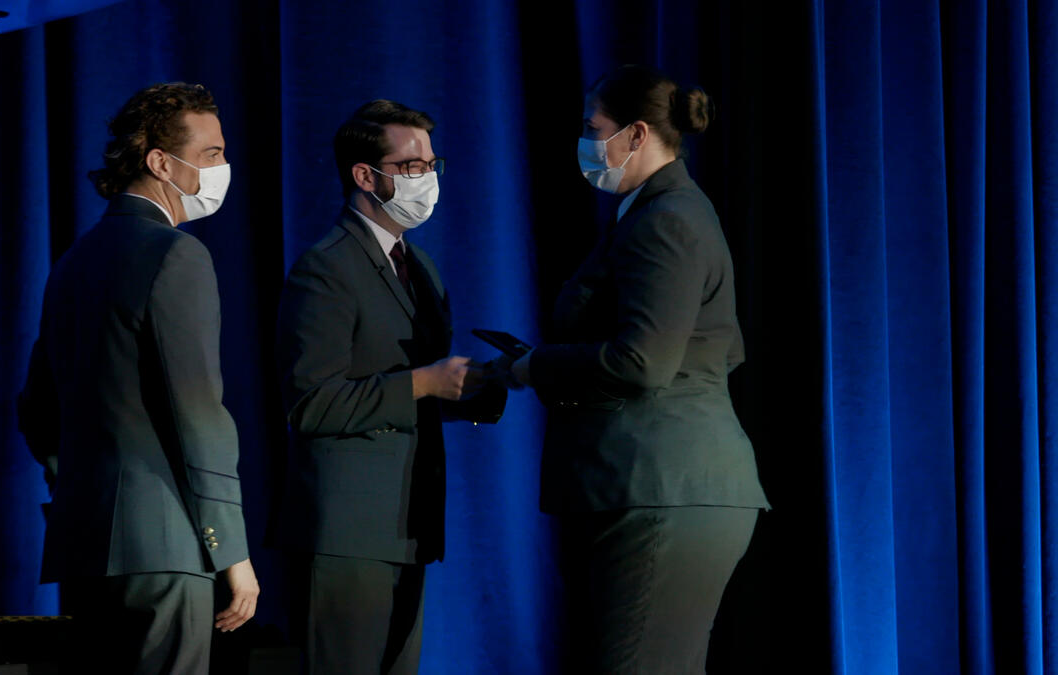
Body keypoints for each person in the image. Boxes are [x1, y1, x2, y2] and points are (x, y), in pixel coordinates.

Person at [507, 65, 770, 674]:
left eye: (590, 127)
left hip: (665, 489)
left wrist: (532, 367)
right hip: (648, 484)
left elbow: (643, 361)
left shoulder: (669, 219)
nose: (583, 140)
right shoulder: (651, 211)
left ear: (634, 133)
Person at [17, 82, 259, 674]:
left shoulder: (73, 261)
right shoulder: (176, 255)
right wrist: (231, 551)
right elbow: (199, 413)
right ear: (159, 162)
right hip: (167, 546)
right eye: (211, 155)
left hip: (84, 546)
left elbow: (36, 409)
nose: (224, 168)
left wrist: (80, 489)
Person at [275, 99, 507, 675]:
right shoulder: (325, 268)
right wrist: (423, 382)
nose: (426, 178)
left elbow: (417, 392)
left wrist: (476, 386)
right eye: (410, 167)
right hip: (347, 532)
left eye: (432, 164)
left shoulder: (420, 265)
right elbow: (312, 403)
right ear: (365, 176)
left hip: (409, 521)